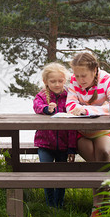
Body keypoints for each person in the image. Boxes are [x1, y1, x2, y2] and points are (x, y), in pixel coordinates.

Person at [65, 52, 110, 217]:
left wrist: (88, 109)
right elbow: (70, 105)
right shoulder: (74, 82)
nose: (80, 79)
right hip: (82, 134)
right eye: (77, 75)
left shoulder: (107, 80)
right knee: (96, 164)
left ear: (95, 70)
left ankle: (98, 207)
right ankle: (106, 205)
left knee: (103, 152)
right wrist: (100, 107)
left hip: (103, 131)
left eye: (84, 76)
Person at [33, 62, 78, 208]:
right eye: (53, 81)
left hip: (64, 145)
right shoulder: (42, 96)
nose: (57, 84)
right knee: (46, 173)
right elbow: (36, 106)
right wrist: (46, 109)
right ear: (46, 81)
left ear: (65, 80)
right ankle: (49, 204)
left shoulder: (70, 97)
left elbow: (73, 127)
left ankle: (60, 204)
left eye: (60, 81)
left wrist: (72, 148)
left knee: (62, 175)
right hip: (45, 143)